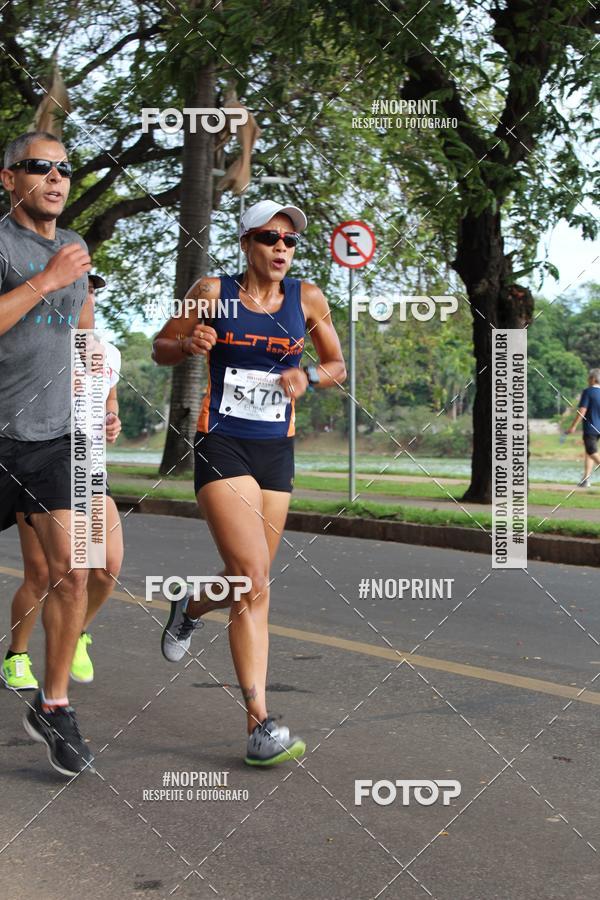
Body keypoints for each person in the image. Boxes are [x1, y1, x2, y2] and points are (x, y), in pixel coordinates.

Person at [152, 199, 346, 766]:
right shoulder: (211, 291)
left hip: (275, 451)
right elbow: (160, 346)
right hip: (222, 442)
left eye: (289, 240)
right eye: (269, 237)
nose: (281, 248)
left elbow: (336, 365)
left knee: (248, 582)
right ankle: (260, 725)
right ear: (246, 243)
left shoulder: (307, 298)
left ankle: (189, 605)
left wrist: (306, 373)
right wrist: (188, 345)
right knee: (254, 577)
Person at [0, 131, 95, 776]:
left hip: (56, 438)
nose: (57, 179)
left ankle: (53, 704)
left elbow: (82, 324)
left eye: (64, 169)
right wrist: (47, 279)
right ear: (9, 180)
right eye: (41, 168)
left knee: (74, 570)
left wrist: (101, 396)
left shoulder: (75, 249)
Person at [2, 273, 123, 691]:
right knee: (41, 574)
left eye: (92, 290)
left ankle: (77, 633)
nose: (86, 296)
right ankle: (16, 654)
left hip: (87, 465)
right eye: (79, 288)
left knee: (106, 567)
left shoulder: (106, 352)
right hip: (39, 461)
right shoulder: (38, 344)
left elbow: (109, 401)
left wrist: (112, 420)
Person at [567, 367, 600, 488]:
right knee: (589, 453)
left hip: (590, 429)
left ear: (593, 379)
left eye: (588, 377)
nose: (587, 379)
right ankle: (585, 479)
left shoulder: (588, 392)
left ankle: (586, 479)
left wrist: (573, 426)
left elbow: (582, 410)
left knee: (591, 451)